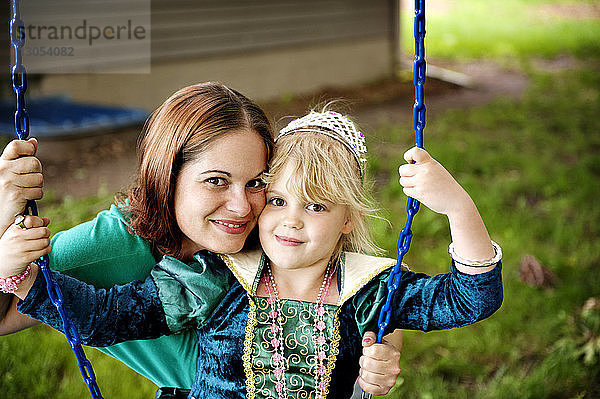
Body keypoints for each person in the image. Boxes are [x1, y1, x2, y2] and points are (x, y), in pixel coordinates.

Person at [1, 110, 503, 399]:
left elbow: (470, 298)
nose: (291, 219)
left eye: (317, 206)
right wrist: (28, 279)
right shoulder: (217, 276)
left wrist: (457, 206)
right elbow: (112, 317)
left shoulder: (371, 289)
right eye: (278, 199)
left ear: (347, 219)